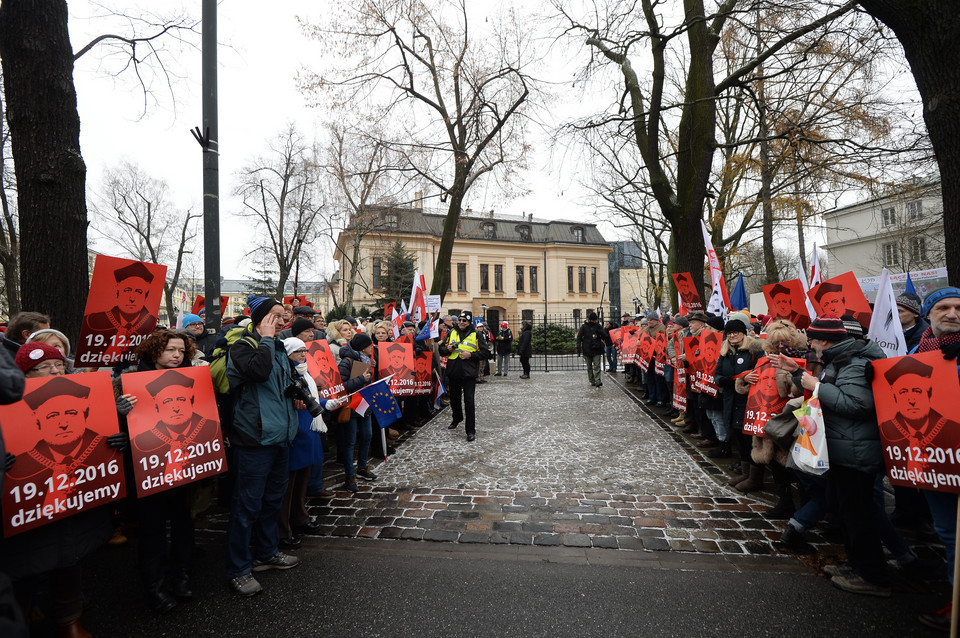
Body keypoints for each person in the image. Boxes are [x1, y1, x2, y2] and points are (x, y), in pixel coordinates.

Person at [4, 347, 125, 637]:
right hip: (25, 510)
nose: (56, 372)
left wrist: (117, 439)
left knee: (69, 563)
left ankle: (69, 620)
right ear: (25, 375)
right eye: (45, 366)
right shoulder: (6, 406)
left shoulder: (90, 405)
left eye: (59, 364)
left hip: (75, 506)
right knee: (23, 567)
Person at [775, 317, 889, 596]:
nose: (810, 345)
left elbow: (856, 404)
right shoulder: (841, 359)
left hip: (856, 453)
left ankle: (873, 577)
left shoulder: (855, 362)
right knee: (846, 511)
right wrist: (796, 374)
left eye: (812, 340)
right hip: (841, 449)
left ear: (825, 341)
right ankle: (857, 565)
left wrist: (815, 384)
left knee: (858, 515)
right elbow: (829, 389)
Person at [124, 331, 214, 612]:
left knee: (184, 524)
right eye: (169, 350)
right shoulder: (128, 382)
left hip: (187, 468)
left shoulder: (195, 381)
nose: (176, 355)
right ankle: (154, 585)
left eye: (180, 350)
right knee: (153, 530)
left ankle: (182, 576)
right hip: (150, 470)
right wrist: (119, 415)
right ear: (154, 352)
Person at [224, 296, 301, 597]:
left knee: (272, 500)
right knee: (247, 506)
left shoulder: (280, 347)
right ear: (259, 319)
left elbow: (284, 380)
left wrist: (297, 392)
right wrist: (267, 340)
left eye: (284, 316)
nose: (282, 322)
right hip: (254, 439)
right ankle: (238, 569)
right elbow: (258, 373)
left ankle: (266, 553)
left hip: (280, 436)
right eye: (275, 316)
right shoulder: (243, 347)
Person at [911, 287, 960, 630]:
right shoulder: (917, 351)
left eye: (959, 308)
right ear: (929, 314)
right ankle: (954, 599)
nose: (953, 314)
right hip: (936, 457)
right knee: (948, 531)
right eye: (943, 307)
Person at [277, 338, 346, 547]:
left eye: (304, 351)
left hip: (310, 431)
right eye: (297, 351)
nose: (302, 355)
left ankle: (300, 517)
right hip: (296, 433)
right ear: (287, 354)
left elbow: (310, 398)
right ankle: (283, 529)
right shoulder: (285, 373)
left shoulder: (304, 372)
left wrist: (328, 403)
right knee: (288, 486)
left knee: (302, 483)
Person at [82, 261, 158, 346]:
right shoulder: (93, 321)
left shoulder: (152, 327)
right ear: (117, 291)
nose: (132, 298)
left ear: (145, 296)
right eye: (127, 290)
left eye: (139, 292)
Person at [439, 311, 489, 441]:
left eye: (464, 321)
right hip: (454, 371)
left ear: (469, 322)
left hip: (468, 373)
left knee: (469, 401)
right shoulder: (451, 332)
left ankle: (470, 430)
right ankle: (457, 418)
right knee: (454, 400)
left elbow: (485, 353)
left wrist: (471, 355)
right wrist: (448, 349)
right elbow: (441, 350)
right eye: (460, 320)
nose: (461, 322)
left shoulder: (477, 334)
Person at [337, 333, 376, 490]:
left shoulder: (368, 361)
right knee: (350, 442)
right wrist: (361, 379)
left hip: (364, 405)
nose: (372, 347)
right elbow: (342, 386)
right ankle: (349, 476)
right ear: (362, 348)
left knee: (367, 436)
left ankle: (362, 467)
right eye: (369, 345)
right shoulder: (346, 362)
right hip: (351, 407)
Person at [576, 311, 611, 388]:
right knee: (589, 366)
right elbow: (579, 337)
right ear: (589, 320)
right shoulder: (584, 327)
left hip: (597, 348)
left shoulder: (598, 326)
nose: (593, 322)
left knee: (597, 365)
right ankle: (592, 380)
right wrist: (578, 347)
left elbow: (605, 336)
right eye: (592, 320)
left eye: (595, 320)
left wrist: (600, 331)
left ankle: (598, 380)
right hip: (587, 349)